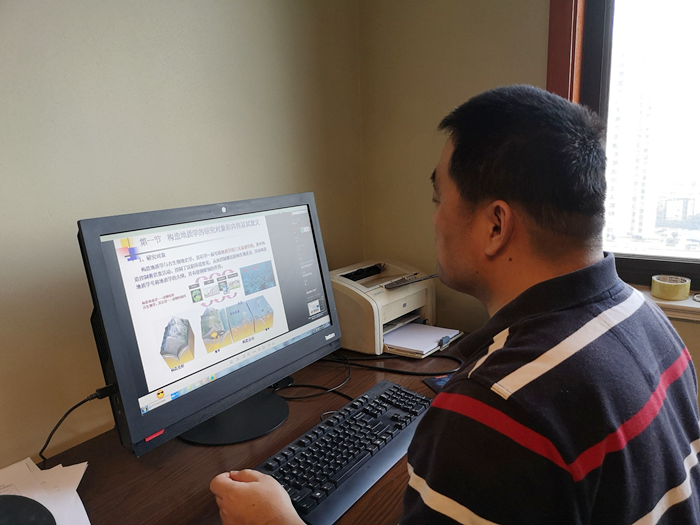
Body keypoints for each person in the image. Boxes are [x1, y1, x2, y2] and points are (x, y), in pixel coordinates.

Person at [211, 85, 700, 524]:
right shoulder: (648, 320)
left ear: (495, 226)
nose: (434, 219)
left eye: (437, 198)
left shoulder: (495, 413)